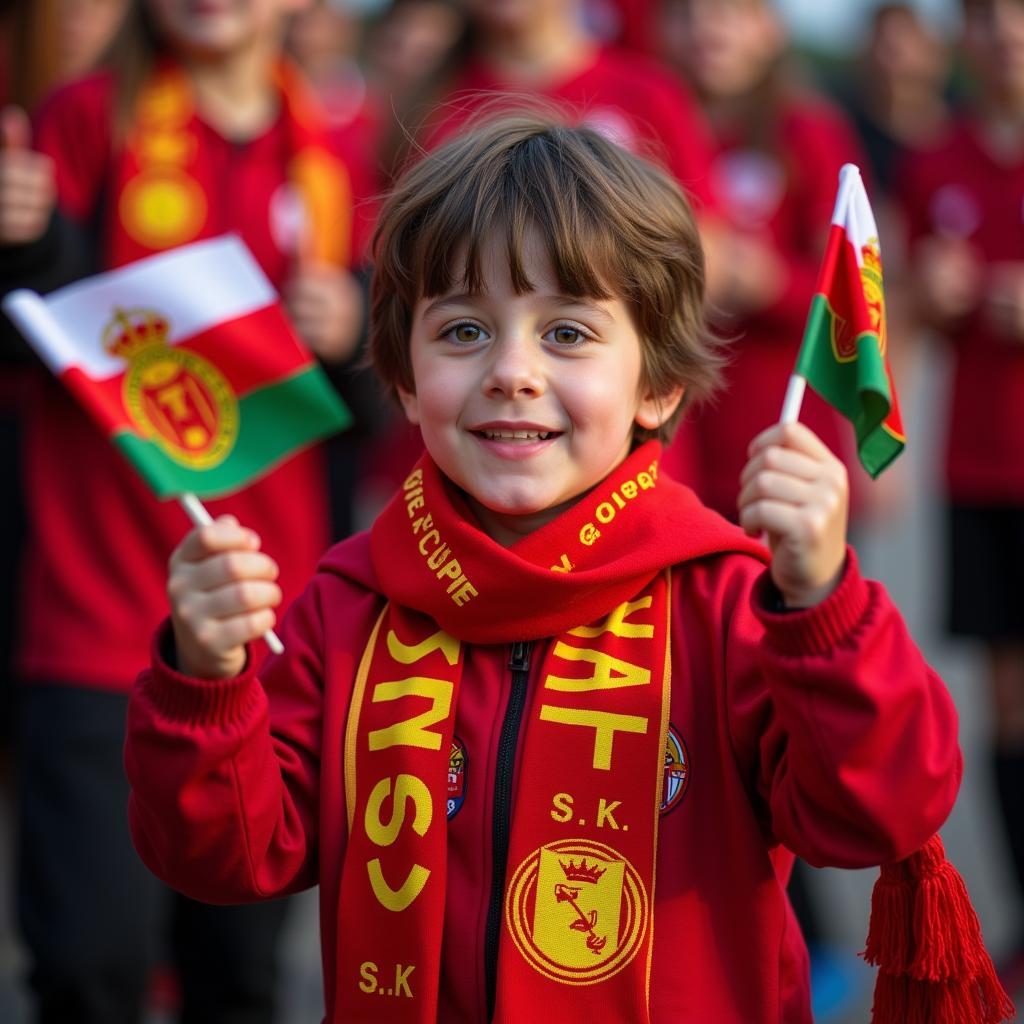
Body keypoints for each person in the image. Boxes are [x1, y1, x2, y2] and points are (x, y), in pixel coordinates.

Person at [123, 113, 967, 1023]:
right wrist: (206, 684)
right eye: (462, 332)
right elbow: (226, 858)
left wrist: (826, 605)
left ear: (658, 384)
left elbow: (879, 810)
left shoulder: (731, 600)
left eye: (567, 333)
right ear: (404, 378)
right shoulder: (349, 602)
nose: (512, 371)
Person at [0, 0, 361, 1020]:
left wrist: (361, 321)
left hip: (273, 628)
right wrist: (21, 244)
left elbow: (407, 391)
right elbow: (31, 336)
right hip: (96, 615)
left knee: (238, 975)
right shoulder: (83, 119)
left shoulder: (343, 146)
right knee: (87, 965)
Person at [897, 0, 1024, 988]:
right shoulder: (934, 160)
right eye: (985, 17)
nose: (1005, 35)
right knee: (1006, 708)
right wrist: (930, 302)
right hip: (981, 468)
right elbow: (910, 325)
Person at [656, 0, 868, 520]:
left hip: (785, 443)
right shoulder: (640, 126)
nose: (706, 26)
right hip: (671, 452)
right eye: (687, 12)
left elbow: (855, 290)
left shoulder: (807, 133)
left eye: (729, 11)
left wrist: (769, 282)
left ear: (769, 28)